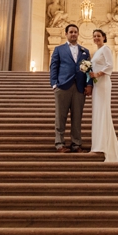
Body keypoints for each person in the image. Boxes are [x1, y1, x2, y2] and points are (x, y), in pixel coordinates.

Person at [88, 29, 118, 163]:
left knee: (103, 112)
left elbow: (110, 66)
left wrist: (97, 74)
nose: (96, 38)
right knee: (98, 112)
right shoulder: (97, 51)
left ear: (104, 37)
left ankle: (102, 146)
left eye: (98, 36)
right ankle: (98, 144)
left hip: (103, 83)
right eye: (94, 36)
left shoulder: (106, 49)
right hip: (97, 85)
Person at [49, 23, 92, 153]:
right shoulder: (59, 49)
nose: (73, 34)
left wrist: (89, 84)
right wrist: (54, 84)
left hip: (79, 88)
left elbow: (89, 70)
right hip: (63, 86)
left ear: (78, 34)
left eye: (75, 32)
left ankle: (76, 144)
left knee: (77, 117)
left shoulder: (85, 51)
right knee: (60, 117)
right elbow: (54, 67)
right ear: (66, 34)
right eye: (71, 32)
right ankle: (59, 144)